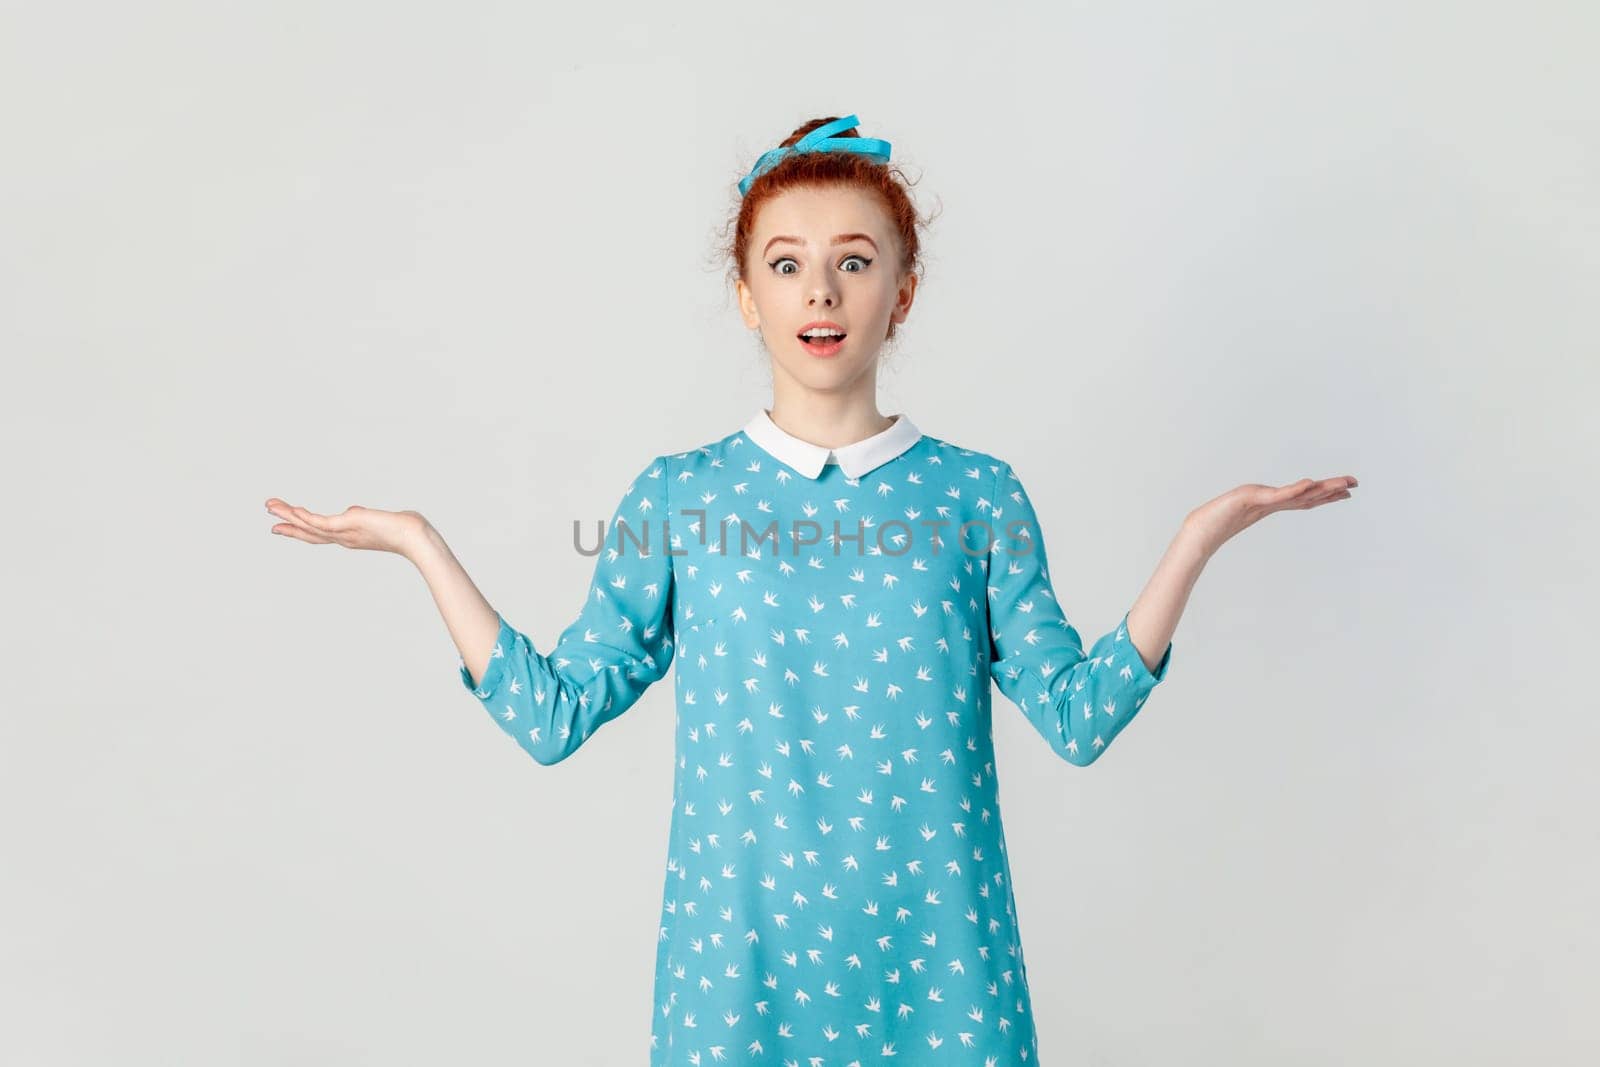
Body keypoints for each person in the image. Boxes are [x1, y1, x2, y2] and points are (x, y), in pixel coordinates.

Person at [266, 114, 1358, 1064]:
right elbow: (551, 715)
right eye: (785, 263)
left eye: (854, 259)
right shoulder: (682, 497)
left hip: (944, 981)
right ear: (746, 295)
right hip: (737, 988)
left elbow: (1076, 717)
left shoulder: (975, 496)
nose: (820, 290)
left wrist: (1198, 539)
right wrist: (419, 544)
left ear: (903, 289)